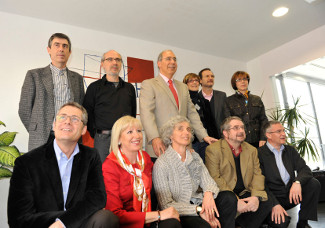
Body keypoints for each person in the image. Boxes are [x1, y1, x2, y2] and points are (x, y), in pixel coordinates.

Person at [8, 102, 118, 228]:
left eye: (75, 119)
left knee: (106, 218)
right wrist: (58, 221)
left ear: (84, 129)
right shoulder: (27, 162)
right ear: (54, 125)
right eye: (62, 117)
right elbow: (18, 218)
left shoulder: (91, 156)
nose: (67, 122)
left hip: (78, 223)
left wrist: (64, 223)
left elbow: (97, 197)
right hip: (45, 226)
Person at [153, 116, 236, 228]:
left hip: (200, 203)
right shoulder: (162, 163)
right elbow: (165, 205)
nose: (186, 132)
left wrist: (208, 194)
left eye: (188, 129)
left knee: (228, 198)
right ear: (170, 135)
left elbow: (209, 182)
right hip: (181, 212)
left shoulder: (194, 156)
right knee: (203, 226)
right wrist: (198, 210)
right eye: (180, 129)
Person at [103, 115, 181, 228]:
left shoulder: (145, 158)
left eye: (139, 131)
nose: (137, 135)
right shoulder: (110, 166)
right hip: (125, 223)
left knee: (172, 224)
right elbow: (115, 214)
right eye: (130, 132)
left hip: (149, 219)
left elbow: (165, 175)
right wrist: (158, 215)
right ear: (118, 139)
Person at [140, 50, 216, 157]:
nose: (172, 62)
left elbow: (192, 114)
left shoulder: (183, 87)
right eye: (168, 59)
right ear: (159, 63)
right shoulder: (149, 84)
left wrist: (204, 136)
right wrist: (154, 138)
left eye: (174, 59)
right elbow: (146, 114)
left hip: (184, 147)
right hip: (161, 146)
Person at [19, 33, 85, 151]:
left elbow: (81, 109)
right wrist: (37, 130)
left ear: (69, 52)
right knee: (41, 170)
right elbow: (24, 109)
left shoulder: (78, 79)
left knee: (68, 170)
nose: (61, 49)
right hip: (43, 138)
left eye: (65, 46)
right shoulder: (34, 75)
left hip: (70, 138)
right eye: (57, 45)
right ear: (49, 50)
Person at [205, 116, 272, 228]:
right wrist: (237, 201)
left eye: (242, 127)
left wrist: (255, 196)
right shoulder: (213, 150)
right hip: (224, 192)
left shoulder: (252, 150)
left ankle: (240, 225)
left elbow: (258, 175)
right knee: (229, 199)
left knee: (265, 200)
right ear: (225, 133)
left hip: (244, 191)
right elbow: (214, 178)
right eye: (236, 128)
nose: (241, 131)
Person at [258, 121, 321, 228]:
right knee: (281, 224)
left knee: (313, 183)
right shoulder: (259, 154)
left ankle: (303, 223)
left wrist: (297, 182)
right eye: (279, 131)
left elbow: (305, 169)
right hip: (273, 198)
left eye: (283, 130)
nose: (283, 134)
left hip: (292, 195)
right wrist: (275, 204)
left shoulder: (290, 151)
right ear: (268, 135)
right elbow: (261, 185)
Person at [83, 50, 136, 163]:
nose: (114, 63)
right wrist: (97, 133)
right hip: (102, 140)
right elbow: (87, 113)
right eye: (110, 59)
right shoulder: (94, 87)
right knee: (102, 174)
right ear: (102, 64)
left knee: (125, 171)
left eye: (118, 60)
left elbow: (132, 114)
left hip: (125, 139)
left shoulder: (129, 88)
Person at [224, 71, 268, 148]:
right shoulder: (229, 101)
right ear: (235, 84)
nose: (243, 82)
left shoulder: (256, 99)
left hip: (258, 140)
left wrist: (263, 138)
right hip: (240, 140)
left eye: (245, 79)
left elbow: (263, 120)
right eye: (239, 80)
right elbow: (229, 123)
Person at [183, 73, 218, 160]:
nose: (194, 83)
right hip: (191, 141)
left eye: (196, 80)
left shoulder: (204, 101)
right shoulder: (183, 101)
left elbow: (211, 122)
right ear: (185, 84)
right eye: (191, 81)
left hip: (205, 140)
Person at [198, 68, 226, 139]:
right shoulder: (196, 98)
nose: (210, 78)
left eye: (212, 76)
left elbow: (226, 116)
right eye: (207, 76)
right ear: (200, 80)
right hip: (204, 139)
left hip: (221, 137)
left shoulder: (222, 95)